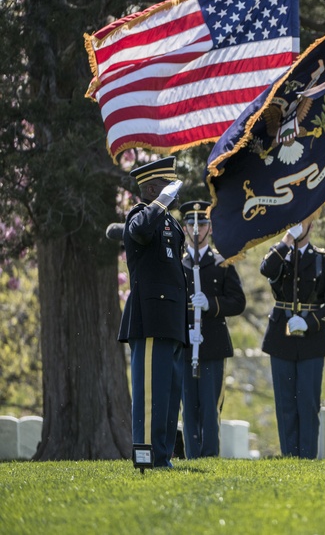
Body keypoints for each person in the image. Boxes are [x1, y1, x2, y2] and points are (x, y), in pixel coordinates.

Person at [118, 156, 188, 468]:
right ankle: (145, 457)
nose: (172, 191)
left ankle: (162, 456)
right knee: (150, 394)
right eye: (165, 185)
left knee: (169, 395)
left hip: (171, 320)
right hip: (149, 318)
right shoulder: (140, 215)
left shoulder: (171, 222)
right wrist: (161, 202)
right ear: (150, 189)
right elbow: (140, 231)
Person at [260, 217, 325, 458]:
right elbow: (266, 269)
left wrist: (309, 322)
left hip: (312, 338)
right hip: (280, 336)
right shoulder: (279, 253)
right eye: (292, 222)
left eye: (302, 222)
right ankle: (289, 455)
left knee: (307, 402)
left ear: (312, 226)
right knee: (285, 402)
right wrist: (287, 239)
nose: (297, 226)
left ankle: (307, 456)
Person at [178, 201, 247, 459]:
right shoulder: (178, 263)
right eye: (192, 223)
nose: (197, 229)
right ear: (184, 227)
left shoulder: (222, 263)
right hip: (185, 344)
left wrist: (211, 304)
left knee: (210, 405)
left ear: (210, 228)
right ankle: (192, 457)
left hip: (213, 344)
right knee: (188, 407)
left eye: (203, 223)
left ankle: (209, 455)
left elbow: (238, 302)